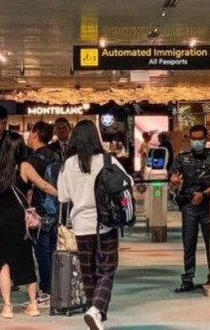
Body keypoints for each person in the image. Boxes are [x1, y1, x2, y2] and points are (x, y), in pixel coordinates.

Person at [57, 120, 131, 330]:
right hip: (105, 224)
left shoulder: (68, 164)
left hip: (80, 225)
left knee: (88, 272)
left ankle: (93, 310)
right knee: (107, 270)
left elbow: (62, 196)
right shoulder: (107, 160)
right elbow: (128, 184)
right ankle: (96, 309)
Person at [0, 135, 57, 318]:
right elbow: (44, 185)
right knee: (26, 260)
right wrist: (62, 194)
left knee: (3, 262)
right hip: (20, 222)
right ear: (20, 149)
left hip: (0, 221)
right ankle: (33, 305)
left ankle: (7, 306)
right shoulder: (24, 167)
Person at [168, 125, 210, 293]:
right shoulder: (182, 158)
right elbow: (173, 175)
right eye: (194, 139)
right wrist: (174, 179)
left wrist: (204, 195)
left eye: (200, 138)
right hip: (189, 204)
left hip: (208, 205)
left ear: (206, 139)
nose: (197, 142)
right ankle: (187, 278)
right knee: (189, 242)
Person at [26, 121, 59, 305]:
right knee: (52, 250)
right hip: (56, 210)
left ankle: (46, 288)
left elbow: (31, 188)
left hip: (40, 211)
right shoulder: (55, 156)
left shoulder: (33, 160)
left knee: (41, 252)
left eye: (30, 132)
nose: (28, 136)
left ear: (36, 134)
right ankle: (55, 286)